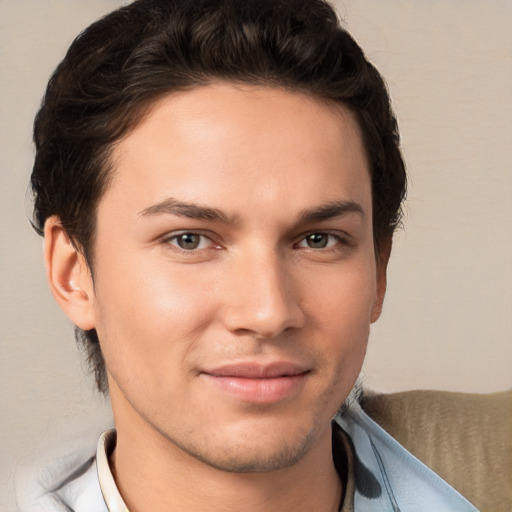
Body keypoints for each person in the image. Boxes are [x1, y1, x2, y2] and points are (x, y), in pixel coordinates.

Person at [15, 0, 510, 511]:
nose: (268, 312)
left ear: (378, 272)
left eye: (318, 240)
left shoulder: (488, 469)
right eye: (190, 239)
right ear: (73, 274)